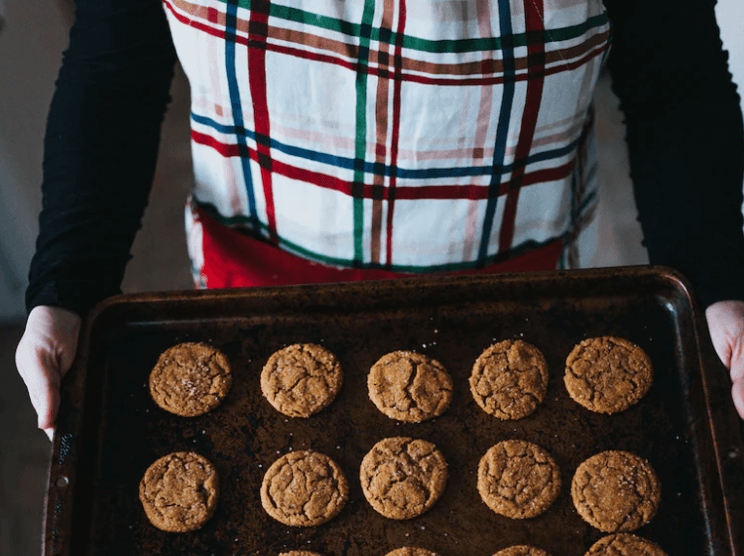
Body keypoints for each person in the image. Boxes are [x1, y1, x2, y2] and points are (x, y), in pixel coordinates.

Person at [15, 0, 744, 438]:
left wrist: (716, 282)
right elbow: (116, 73)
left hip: (516, 274)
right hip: (262, 270)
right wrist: (67, 288)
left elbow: (672, 78)